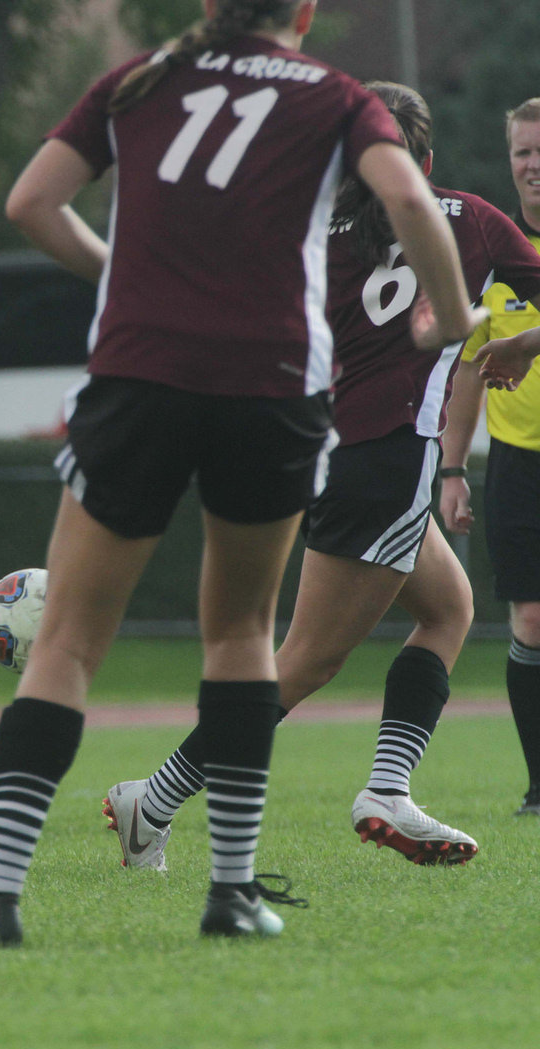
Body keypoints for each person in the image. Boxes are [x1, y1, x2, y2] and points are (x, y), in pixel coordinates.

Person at [0, 0, 485, 950]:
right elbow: (416, 205)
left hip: (140, 374)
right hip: (270, 387)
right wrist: (453, 318)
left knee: (68, 645)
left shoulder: (139, 79)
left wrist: (116, 276)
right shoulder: (338, 96)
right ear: (304, 11)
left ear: (208, 7)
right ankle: (231, 895)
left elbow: (29, 204)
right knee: (244, 636)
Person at [104, 82, 540, 876]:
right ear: (428, 161)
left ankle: (388, 786)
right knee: (304, 660)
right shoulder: (471, 220)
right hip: (388, 458)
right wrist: (525, 343)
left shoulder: (311, 233)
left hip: (313, 454)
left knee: (449, 609)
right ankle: (155, 798)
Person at [441, 97, 540, 818]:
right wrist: (452, 472)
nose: (533, 167)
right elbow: (467, 372)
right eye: (522, 155)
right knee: (531, 621)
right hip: (518, 464)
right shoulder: (491, 255)